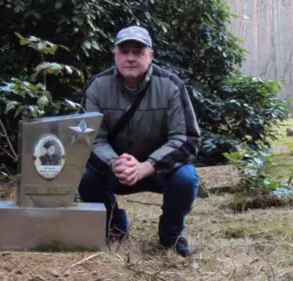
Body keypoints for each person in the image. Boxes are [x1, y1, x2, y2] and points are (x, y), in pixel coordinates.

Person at [78, 25, 202, 257]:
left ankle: (171, 235)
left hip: (159, 170)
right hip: (115, 170)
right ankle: (114, 225)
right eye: (124, 51)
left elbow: (187, 138)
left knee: (187, 178)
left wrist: (148, 166)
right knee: (84, 176)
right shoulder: (96, 86)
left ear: (150, 56)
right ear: (115, 55)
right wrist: (115, 163)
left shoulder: (172, 85)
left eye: (138, 51)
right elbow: (90, 139)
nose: (131, 58)